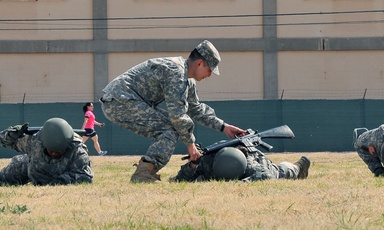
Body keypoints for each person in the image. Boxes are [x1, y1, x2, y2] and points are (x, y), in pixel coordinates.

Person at [100, 40, 246, 183]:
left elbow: (195, 109)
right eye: (210, 70)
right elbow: (177, 116)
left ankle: (145, 172)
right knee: (169, 129)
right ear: (199, 63)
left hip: (124, 100)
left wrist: (224, 127)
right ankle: (143, 174)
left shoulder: (187, 79)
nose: (209, 75)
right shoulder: (177, 73)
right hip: (118, 101)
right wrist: (190, 144)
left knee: (171, 128)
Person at [0, 117, 94, 186]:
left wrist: (59, 182)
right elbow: (3, 141)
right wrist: (11, 134)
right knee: (3, 177)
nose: (54, 154)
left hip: (61, 174)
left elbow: (85, 176)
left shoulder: (78, 150)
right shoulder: (35, 141)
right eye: (51, 151)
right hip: (33, 170)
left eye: (58, 152)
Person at [170, 144, 310, 182]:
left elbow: (267, 176)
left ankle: (299, 167)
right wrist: (193, 165)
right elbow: (178, 180)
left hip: (250, 155)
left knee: (279, 172)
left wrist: (239, 183)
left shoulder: (250, 165)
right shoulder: (206, 160)